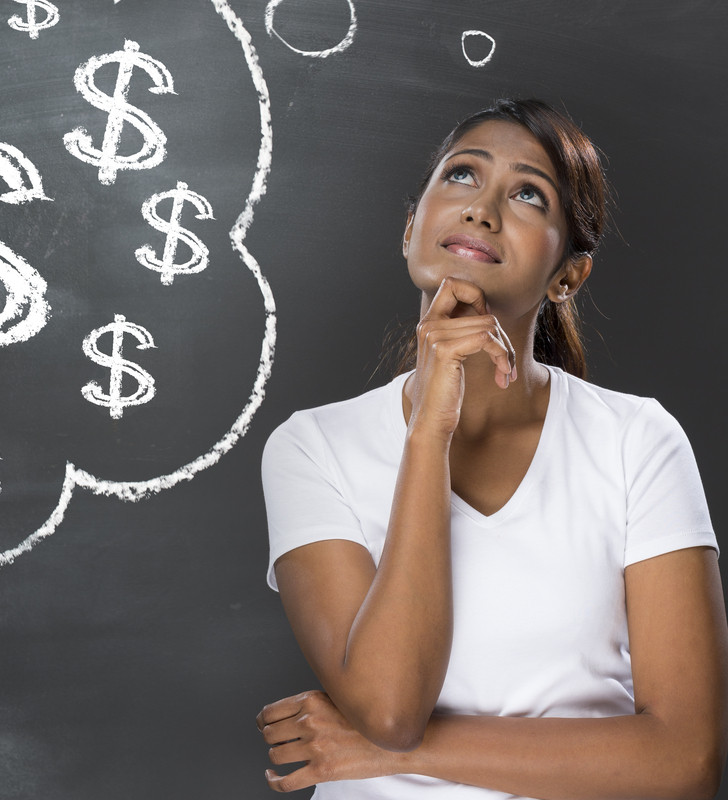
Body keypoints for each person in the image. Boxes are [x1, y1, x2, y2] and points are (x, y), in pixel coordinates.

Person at [256, 98, 728, 798]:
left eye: (529, 194)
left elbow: (686, 761)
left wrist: (382, 756)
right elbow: (389, 707)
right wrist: (428, 435)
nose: (481, 209)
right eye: (461, 176)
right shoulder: (311, 448)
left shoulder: (637, 441)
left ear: (568, 275)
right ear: (412, 226)